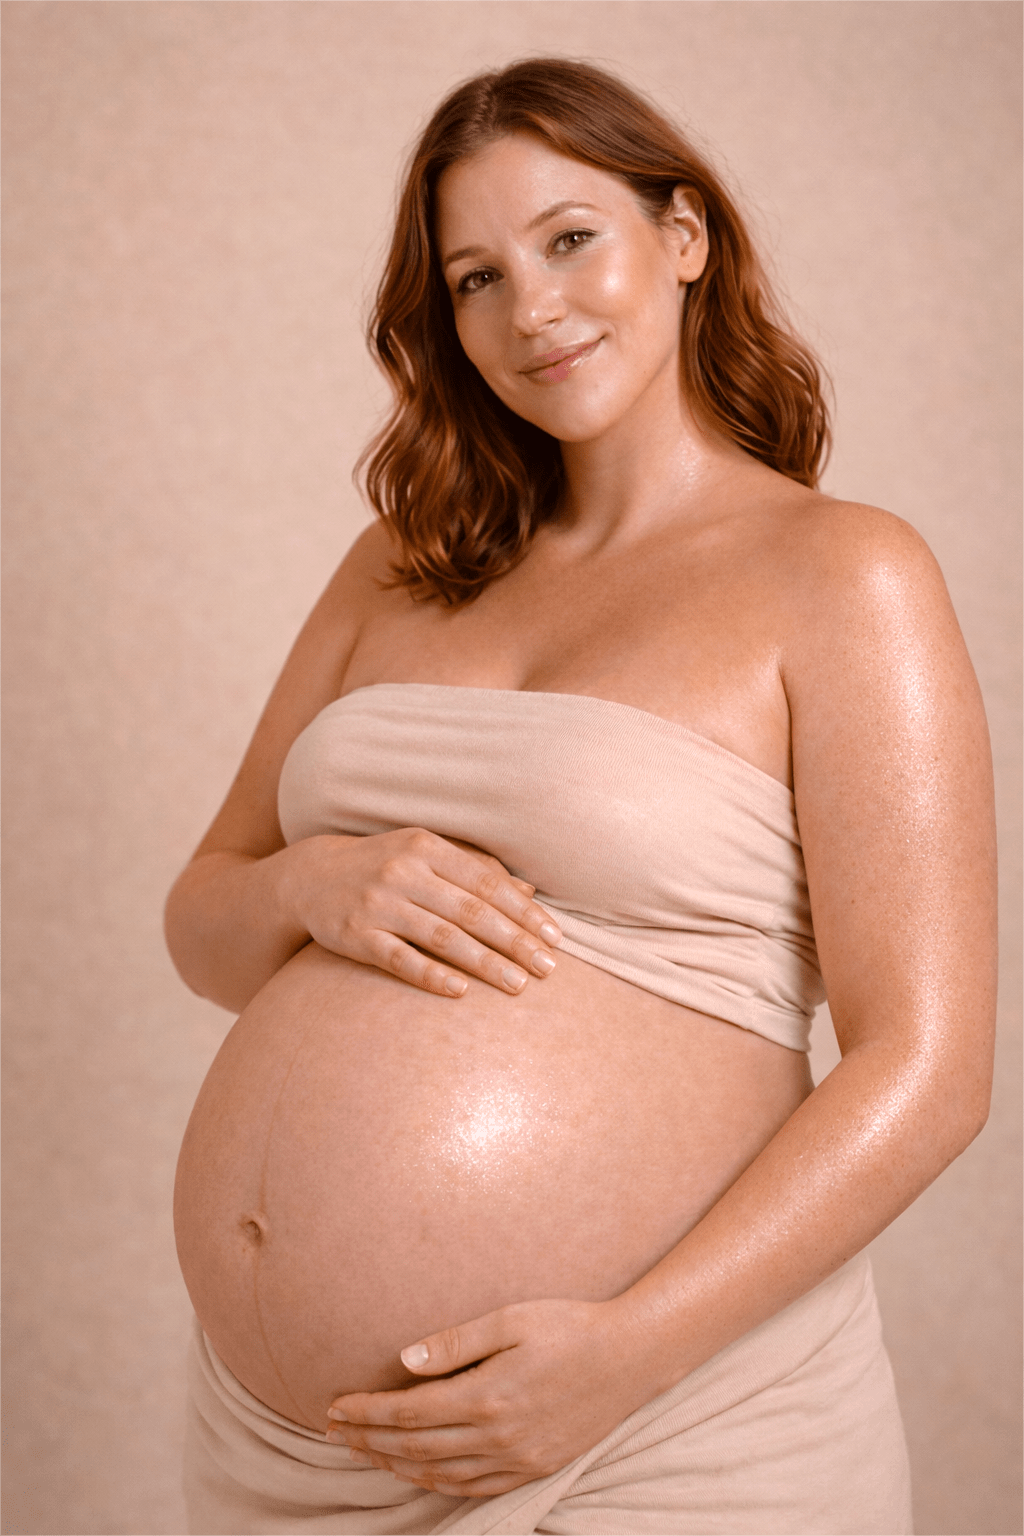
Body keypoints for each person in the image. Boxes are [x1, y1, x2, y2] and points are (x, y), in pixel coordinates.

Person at [166, 57, 996, 1535]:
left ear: (684, 236)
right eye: (474, 276)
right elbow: (204, 922)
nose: (528, 310)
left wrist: (630, 1353)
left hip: (663, 1424)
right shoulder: (399, 564)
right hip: (280, 1462)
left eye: (569, 240)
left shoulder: (843, 574)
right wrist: (307, 886)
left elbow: (929, 1069)